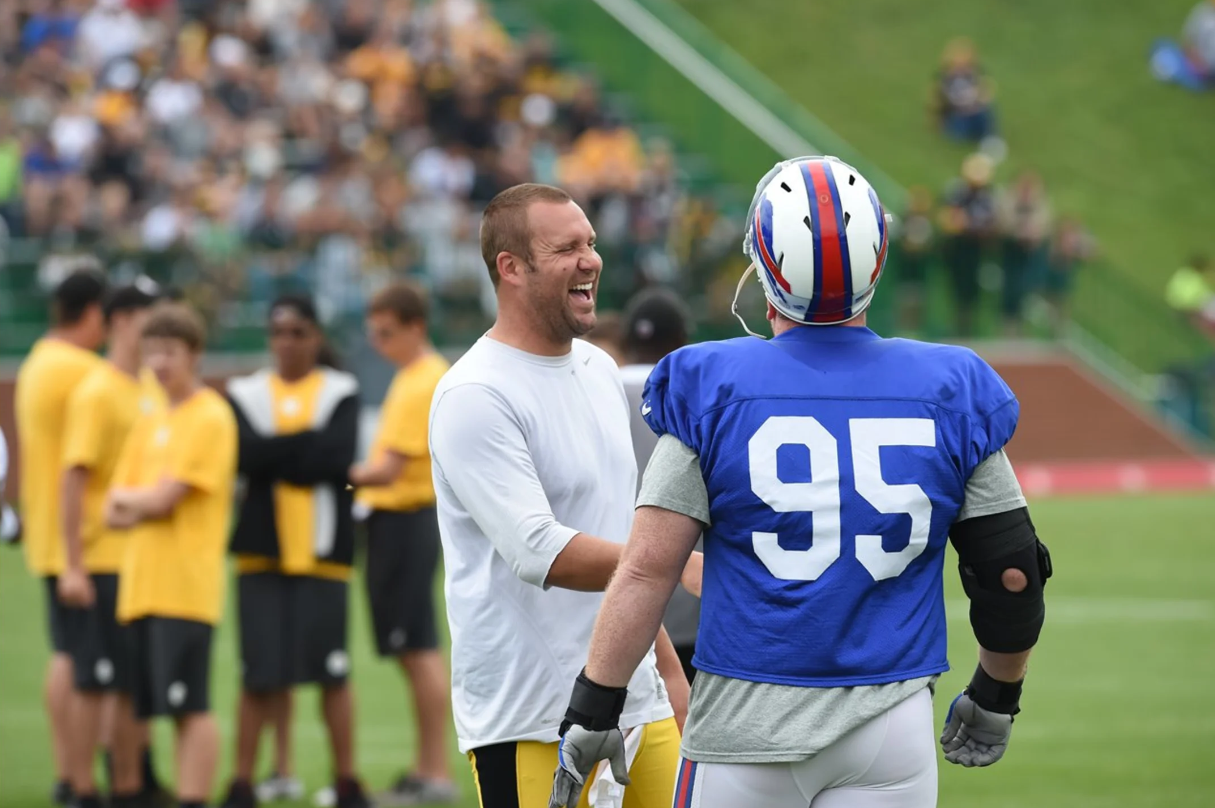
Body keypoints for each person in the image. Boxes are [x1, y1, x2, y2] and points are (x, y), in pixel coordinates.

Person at [550, 157, 1053, 808]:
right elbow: (1011, 572)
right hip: (887, 724)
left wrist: (595, 704)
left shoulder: (711, 385)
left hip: (743, 725)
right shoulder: (947, 388)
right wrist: (995, 693)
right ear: (877, 257)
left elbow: (647, 569)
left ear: (762, 261)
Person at [428, 183, 693, 808]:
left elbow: (619, 539)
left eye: (591, 244)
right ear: (511, 267)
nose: (590, 260)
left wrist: (670, 678)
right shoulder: (475, 394)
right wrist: (677, 563)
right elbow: (538, 550)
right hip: (530, 719)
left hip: (640, 704)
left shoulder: (600, 371)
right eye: (566, 247)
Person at [221, 295, 369, 808]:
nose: (287, 342)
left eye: (298, 333)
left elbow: (334, 459)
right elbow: (242, 456)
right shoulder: (245, 392)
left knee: (332, 673)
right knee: (257, 674)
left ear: (317, 338)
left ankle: (347, 781)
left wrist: (275, 452)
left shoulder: (340, 390)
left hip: (324, 553)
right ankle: (241, 783)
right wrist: (302, 447)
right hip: (260, 553)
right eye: (279, 332)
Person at [106, 302, 237, 808]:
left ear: (195, 355)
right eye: (152, 351)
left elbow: (162, 500)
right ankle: (129, 794)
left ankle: (191, 799)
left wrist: (142, 500)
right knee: (130, 702)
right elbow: (112, 507)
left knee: (189, 707)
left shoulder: (210, 416)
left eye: (170, 352)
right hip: (139, 585)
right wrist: (144, 501)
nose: (159, 362)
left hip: (185, 588)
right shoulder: (149, 419)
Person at [349, 282, 457, 805]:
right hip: (400, 524)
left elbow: (386, 470)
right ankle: (426, 766)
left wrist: (335, 473)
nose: (378, 343)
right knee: (411, 648)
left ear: (415, 326)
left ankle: (434, 770)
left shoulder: (421, 380)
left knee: (418, 648)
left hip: (406, 521)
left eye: (387, 332)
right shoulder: (412, 376)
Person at [60, 280, 164, 808]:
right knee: (93, 682)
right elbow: (73, 478)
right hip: (101, 556)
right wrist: (72, 565)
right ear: (120, 319)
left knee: (129, 684)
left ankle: (129, 784)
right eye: (148, 314)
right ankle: (80, 788)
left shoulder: (148, 385)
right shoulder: (96, 390)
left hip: (139, 560)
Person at [15, 267, 110, 807]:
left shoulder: (38, 360)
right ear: (95, 313)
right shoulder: (77, 370)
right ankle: (80, 778)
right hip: (80, 536)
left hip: (50, 531)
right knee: (82, 663)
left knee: (65, 655)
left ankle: (66, 770)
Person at [617, 288, 699, 683]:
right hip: (697, 600)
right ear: (682, 340)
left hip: (621, 605)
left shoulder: (601, 390)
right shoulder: (700, 396)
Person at [939, 153, 999, 337]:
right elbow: (948, 220)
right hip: (956, 248)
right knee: (955, 286)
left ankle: (968, 325)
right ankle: (956, 324)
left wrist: (968, 224)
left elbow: (990, 224)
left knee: (972, 289)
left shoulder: (988, 197)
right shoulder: (956, 192)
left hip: (977, 249)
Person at [997, 171, 1052, 337]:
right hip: (1012, 252)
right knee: (1011, 292)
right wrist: (1019, 230)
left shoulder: (1039, 205)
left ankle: (1028, 329)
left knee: (1029, 289)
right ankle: (1010, 330)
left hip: (1032, 254)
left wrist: (1034, 233)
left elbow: (1044, 226)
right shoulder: (1009, 202)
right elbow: (1004, 223)